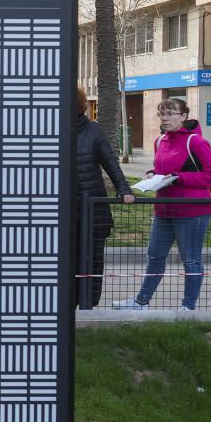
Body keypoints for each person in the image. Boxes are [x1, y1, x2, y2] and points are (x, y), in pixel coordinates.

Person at [114, 99, 211, 311]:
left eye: (170, 113)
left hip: (192, 211)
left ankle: (188, 307)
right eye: (161, 113)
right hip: (164, 209)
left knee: (191, 260)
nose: (165, 117)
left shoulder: (196, 142)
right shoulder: (160, 141)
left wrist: (180, 178)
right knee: (154, 256)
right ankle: (141, 302)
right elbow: (162, 168)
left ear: (183, 116)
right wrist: (154, 174)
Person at [76, 86, 134, 308]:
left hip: (94, 210)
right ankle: (68, 305)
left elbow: (110, 163)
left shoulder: (94, 130)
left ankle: (89, 305)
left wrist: (124, 190)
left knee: (93, 260)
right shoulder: (55, 129)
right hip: (66, 212)